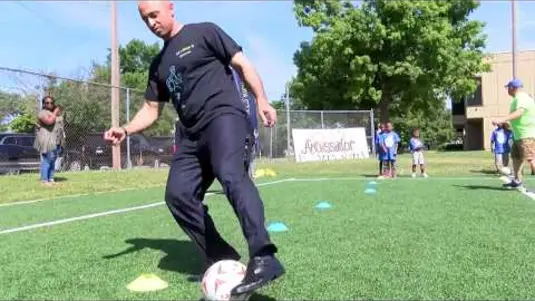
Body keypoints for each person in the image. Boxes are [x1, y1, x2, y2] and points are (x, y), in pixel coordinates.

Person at [103, 1, 284, 298]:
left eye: (154, 14)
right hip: (190, 135)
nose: (151, 23)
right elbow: (151, 109)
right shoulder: (158, 64)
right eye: (144, 19)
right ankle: (221, 256)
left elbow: (242, 64)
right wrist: (125, 129)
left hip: (224, 118)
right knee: (177, 195)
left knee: (230, 172)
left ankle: (264, 256)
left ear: (170, 8)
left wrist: (261, 99)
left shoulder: (204, 32)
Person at [492, 79, 535, 189]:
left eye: (508, 88)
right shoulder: (518, 99)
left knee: (531, 159)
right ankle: (517, 180)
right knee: (516, 158)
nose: (507, 90)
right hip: (518, 135)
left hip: (526, 135)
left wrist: (502, 119)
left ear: (512, 88)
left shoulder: (521, 98)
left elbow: (519, 113)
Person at [231, 67, 259, 180]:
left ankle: (249, 177)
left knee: (251, 151)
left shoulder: (248, 81)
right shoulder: (233, 78)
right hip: (238, 125)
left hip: (250, 125)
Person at [34, 96, 63, 185]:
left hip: (56, 140)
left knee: (53, 160)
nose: (49, 104)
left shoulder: (55, 114)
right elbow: (49, 121)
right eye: (47, 103)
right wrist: (55, 112)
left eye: (51, 103)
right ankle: (44, 180)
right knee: (47, 160)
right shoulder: (42, 113)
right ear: (43, 104)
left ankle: (51, 179)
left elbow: (59, 124)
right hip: (47, 140)